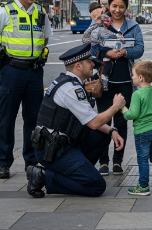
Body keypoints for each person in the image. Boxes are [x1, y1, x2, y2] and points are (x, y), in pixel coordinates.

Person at [26, 43, 126, 197]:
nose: (93, 64)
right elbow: (93, 123)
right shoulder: (71, 89)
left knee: (104, 135)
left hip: (61, 144)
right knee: (97, 186)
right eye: (89, 62)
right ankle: (44, 176)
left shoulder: (69, 82)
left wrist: (112, 130)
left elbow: (90, 118)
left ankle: (78, 172)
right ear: (78, 66)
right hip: (54, 151)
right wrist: (115, 107)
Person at [0, 0, 53, 179]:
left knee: (33, 119)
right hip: (12, 71)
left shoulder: (41, 11)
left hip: (34, 71)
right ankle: (3, 163)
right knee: (7, 118)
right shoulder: (5, 11)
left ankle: (32, 160)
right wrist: (3, 59)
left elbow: (45, 38)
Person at [94, 0, 144, 176]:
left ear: (126, 7)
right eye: (114, 6)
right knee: (103, 120)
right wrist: (106, 53)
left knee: (121, 122)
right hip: (103, 82)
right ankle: (103, 161)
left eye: (121, 6)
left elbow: (139, 48)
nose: (117, 10)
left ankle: (117, 161)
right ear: (108, 5)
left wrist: (125, 53)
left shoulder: (133, 26)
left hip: (124, 82)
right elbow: (90, 47)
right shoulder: (99, 25)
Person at [121, 60, 152, 195]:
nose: (132, 77)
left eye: (133, 75)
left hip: (142, 131)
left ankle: (143, 186)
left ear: (140, 78)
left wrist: (122, 109)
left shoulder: (137, 94)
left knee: (142, 158)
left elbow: (132, 114)